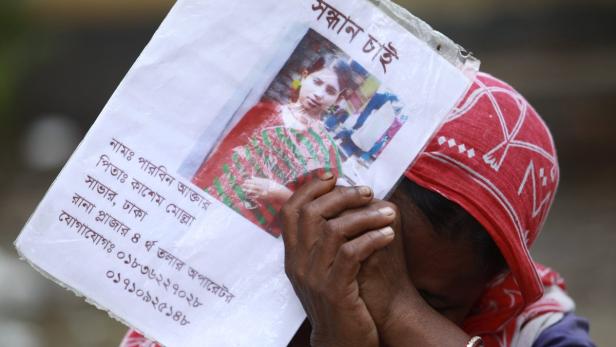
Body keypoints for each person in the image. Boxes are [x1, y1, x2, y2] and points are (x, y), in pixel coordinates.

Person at [119, 73, 596, 346]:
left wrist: (400, 312)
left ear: (493, 283)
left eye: (430, 302)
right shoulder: (211, 319)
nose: (367, 304)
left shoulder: (526, 328)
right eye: (355, 259)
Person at [190, 59, 353, 237]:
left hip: (247, 233)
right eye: (317, 82)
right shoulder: (263, 112)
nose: (319, 94)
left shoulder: (326, 153)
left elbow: (322, 210)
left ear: (338, 99)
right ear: (305, 76)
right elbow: (218, 159)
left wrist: (281, 193)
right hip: (207, 203)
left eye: (330, 91)